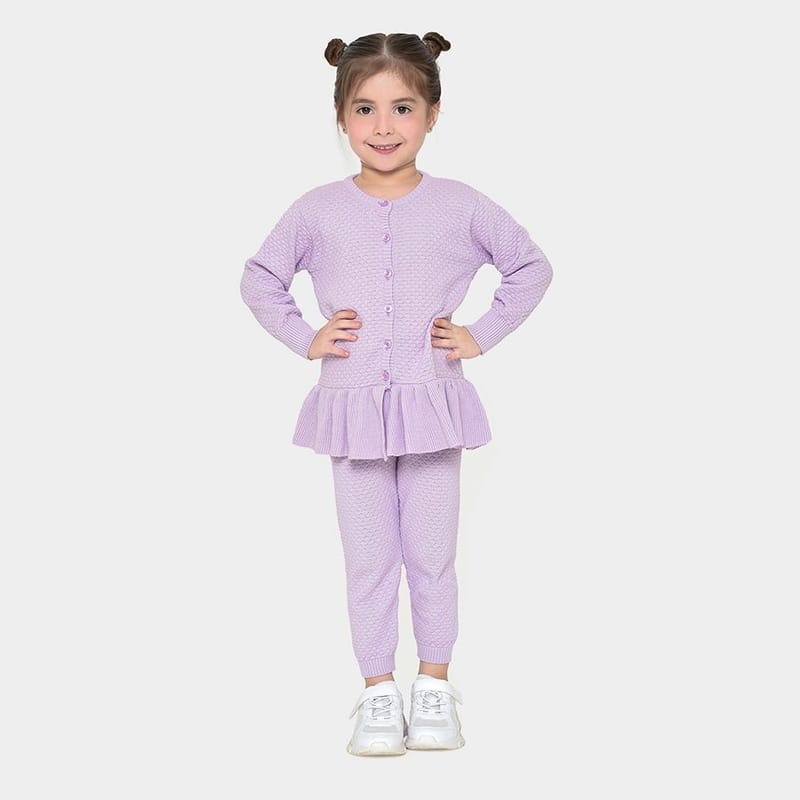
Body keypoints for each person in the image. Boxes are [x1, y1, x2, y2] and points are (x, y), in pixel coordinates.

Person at [240, 31, 553, 756]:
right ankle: (378, 691)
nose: (384, 126)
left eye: (403, 107)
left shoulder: (461, 205)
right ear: (341, 117)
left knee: (432, 556)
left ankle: (434, 686)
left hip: (432, 406)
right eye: (366, 109)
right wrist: (305, 336)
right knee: (369, 558)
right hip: (351, 413)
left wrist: (479, 334)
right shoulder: (316, 210)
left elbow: (529, 266)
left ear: (433, 114)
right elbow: (260, 277)